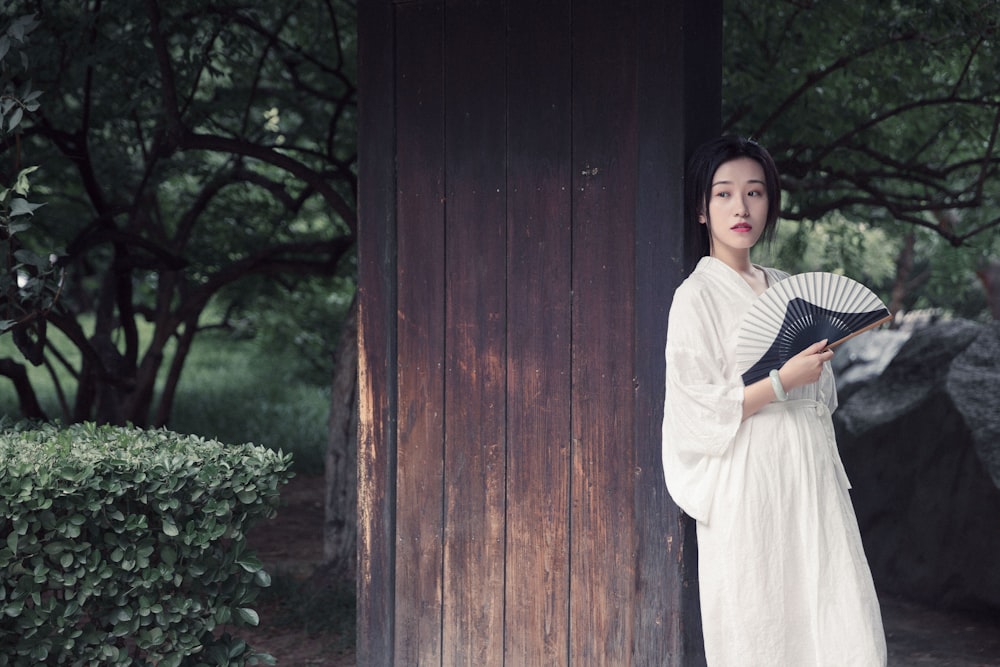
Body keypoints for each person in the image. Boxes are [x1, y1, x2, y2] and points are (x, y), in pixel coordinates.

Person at [661, 135, 887, 666]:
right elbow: (697, 410)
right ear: (701, 208)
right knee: (760, 618)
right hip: (749, 477)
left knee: (836, 615)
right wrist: (782, 381)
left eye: (755, 193)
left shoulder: (788, 287)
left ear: (771, 203)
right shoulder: (694, 298)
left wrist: (810, 371)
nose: (741, 207)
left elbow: (820, 398)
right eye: (723, 194)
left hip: (808, 469)